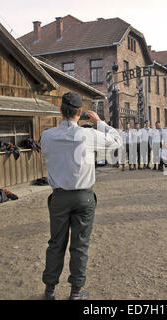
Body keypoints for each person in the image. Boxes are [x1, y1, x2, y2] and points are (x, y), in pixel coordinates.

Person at [40, 92, 122, 300]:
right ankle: (76, 292)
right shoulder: (88, 135)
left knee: (56, 243)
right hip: (83, 197)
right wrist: (99, 122)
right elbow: (117, 142)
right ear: (79, 112)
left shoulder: (47, 136)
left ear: (60, 111)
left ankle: (49, 290)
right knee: (80, 244)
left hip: (59, 196)